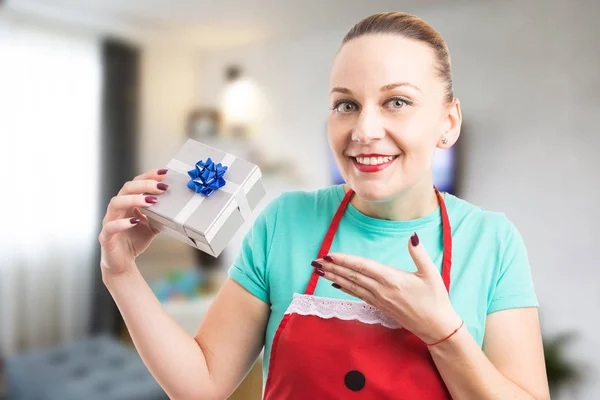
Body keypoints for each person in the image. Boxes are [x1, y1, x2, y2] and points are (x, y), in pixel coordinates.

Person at [98, 12, 550, 400]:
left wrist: (443, 333)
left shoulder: (493, 241)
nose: (365, 129)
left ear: (447, 123)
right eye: (346, 104)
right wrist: (121, 275)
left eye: (397, 102)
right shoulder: (285, 221)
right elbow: (201, 384)